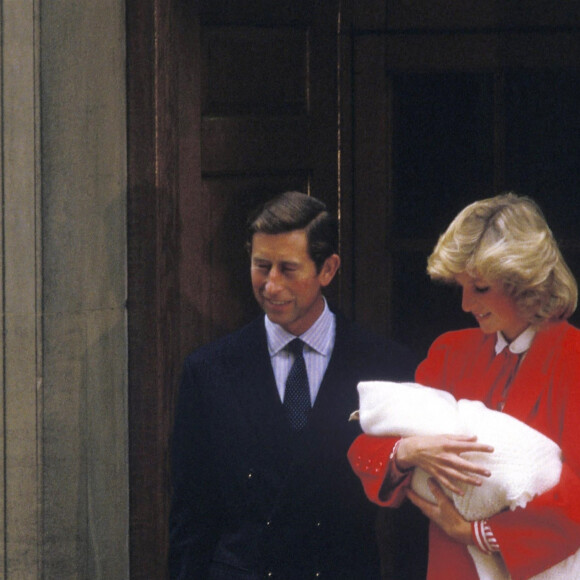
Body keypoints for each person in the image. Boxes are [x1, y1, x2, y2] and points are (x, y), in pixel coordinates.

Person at [169, 191, 428, 579]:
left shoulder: (386, 366)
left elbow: (413, 521)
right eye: (261, 266)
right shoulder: (208, 371)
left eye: (287, 269)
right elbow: (191, 518)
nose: (270, 285)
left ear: (328, 269)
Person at [348, 192, 580, 580]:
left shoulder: (574, 359)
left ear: (524, 281)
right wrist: (407, 451)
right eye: (461, 287)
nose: (465, 303)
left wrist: (475, 532)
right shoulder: (450, 353)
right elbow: (365, 446)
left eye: (480, 288)